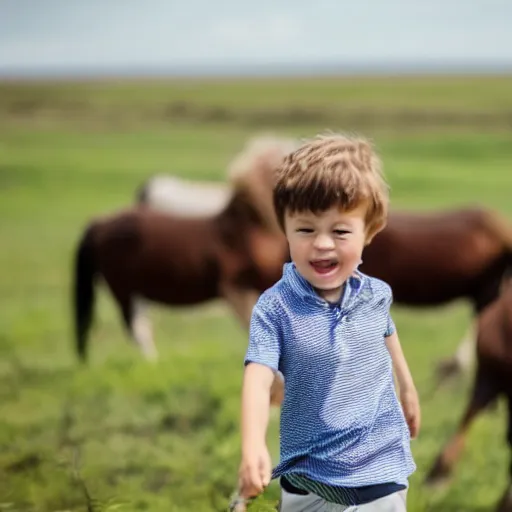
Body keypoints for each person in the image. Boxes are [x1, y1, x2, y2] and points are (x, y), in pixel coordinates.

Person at [236, 133, 421, 511]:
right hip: (309, 477)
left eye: (339, 231)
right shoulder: (275, 308)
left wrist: (406, 386)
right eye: (305, 230)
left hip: (380, 466)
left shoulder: (375, 293)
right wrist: (253, 443)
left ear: (369, 231)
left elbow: (385, 331)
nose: (322, 244)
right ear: (283, 229)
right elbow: (258, 377)